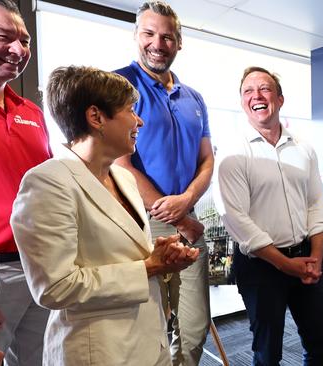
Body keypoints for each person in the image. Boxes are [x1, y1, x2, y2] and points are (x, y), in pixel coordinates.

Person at [10, 65, 200, 366]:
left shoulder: (124, 179)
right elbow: (55, 287)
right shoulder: (47, 182)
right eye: (130, 110)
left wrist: (160, 256)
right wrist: (149, 267)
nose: (139, 120)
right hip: (98, 353)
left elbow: (124, 254)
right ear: (96, 117)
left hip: (149, 343)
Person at [114, 2, 214, 365]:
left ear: (179, 42)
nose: (158, 43)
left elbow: (207, 160)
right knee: (149, 328)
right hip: (139, 223)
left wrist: (186, 199)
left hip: (188, 218)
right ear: (136, 36)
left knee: (193, 326)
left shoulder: (195, 99)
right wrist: (177, 216)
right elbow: (119, 162)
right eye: (149, 34)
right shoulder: (117, 86)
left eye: (167, 36)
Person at [213, 66, 323, 365]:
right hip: (261, 266)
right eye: (248, 91)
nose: (256, 95)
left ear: (279, 99)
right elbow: (235, 218)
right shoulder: (231, 153)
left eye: (264, 88)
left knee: (320, 344)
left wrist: (315, 257)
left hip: (307, 257)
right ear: (243, 103)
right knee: (268, 353)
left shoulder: (304, 150)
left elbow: (316, 204)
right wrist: (284, 264)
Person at [0, 0, 51, 364]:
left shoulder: (31, 112)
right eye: (4, 37)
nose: (18, 50)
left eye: (25, 41)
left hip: (39, 263)